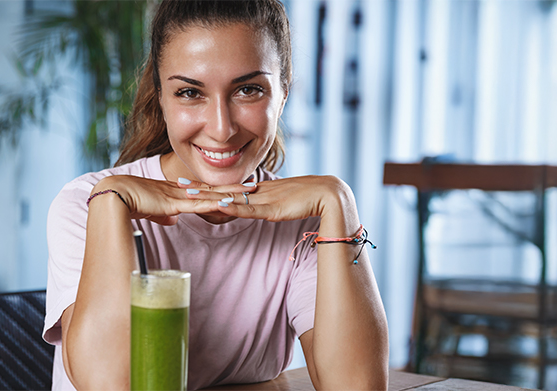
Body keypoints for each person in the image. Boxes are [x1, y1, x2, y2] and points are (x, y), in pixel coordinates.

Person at [42, 0, 389, 389]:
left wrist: (338, 200)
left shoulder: (307, 223)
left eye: (249, 90)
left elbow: (356, 386)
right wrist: (110, 204)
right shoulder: (86, 203)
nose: (222, 128)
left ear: (283, 95)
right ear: (161, 96)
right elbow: (109, 385)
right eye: (190, 93)